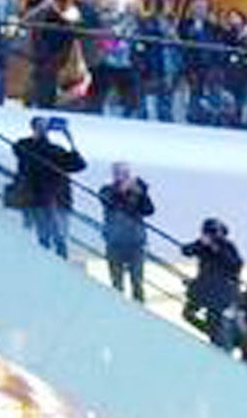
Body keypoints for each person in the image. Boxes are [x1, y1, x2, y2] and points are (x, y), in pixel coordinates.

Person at [10, 115, 85, 257]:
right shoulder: (26, 145)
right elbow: (21, 151)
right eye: (39, 126)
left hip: (53, 198)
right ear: (33, 128)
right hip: (35, 197)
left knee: (58, 235)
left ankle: (59, 258)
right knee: (40, 233)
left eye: (45, 126)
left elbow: (78, 165)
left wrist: (70, 141)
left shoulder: (55, 150)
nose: (43, 129)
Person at [180, 218, 243, 349]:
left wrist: (216, 248)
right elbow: (186, 250)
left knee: (217, 321)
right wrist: (201, 244)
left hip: (220, 294)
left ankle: (218, 338)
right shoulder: (203, 244)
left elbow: (236, 264)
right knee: (188, 313)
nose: (211, 235)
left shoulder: (227, 246)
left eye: (213, 232)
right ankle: (212, 333)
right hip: (204, 290)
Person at [96, 162, 155, 302]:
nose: (123, 176)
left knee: (137, 282)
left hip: (136, 243)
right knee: (116, 283)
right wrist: (123, 191)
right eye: (120, 173)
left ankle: (140, 312)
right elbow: (109, 202)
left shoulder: (137, 191)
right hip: (114, 242)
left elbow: (149, 210)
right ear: (114, 175)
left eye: (126, 173)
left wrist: (143, 194)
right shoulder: (106, 190)